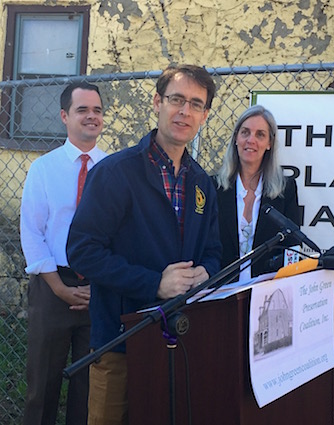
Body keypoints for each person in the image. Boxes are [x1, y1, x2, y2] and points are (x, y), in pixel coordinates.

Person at [66, 64, 222, 425]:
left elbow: (213, 251)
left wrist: (206, 272)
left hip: (178, 341)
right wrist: (154, 283)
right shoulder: (116, 173)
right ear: (157, 102)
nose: (184, 112)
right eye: (176, 100)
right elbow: (82, 251)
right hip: (120, 341)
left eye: (195, 104)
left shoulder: (202, 184)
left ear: (205, 115)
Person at [20, 82, 107, 425]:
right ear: (64, 116)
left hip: (97, 290)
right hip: (52, 285)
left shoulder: (114, 169)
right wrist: (57, 286)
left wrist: (100, 288)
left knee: (89, 389)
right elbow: (32, 232)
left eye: (97, 110)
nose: (91, 116)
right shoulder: (44, 169)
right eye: (82, 109)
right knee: (42, 384)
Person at [215, 104, 301, 281]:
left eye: (260, 134)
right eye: (245, 132)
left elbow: (292, 247)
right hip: (220, 293)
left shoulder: (286, 189)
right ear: (236, 138)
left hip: (267, 292)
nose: (251, 140)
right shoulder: (213, 187)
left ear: (269, 143)